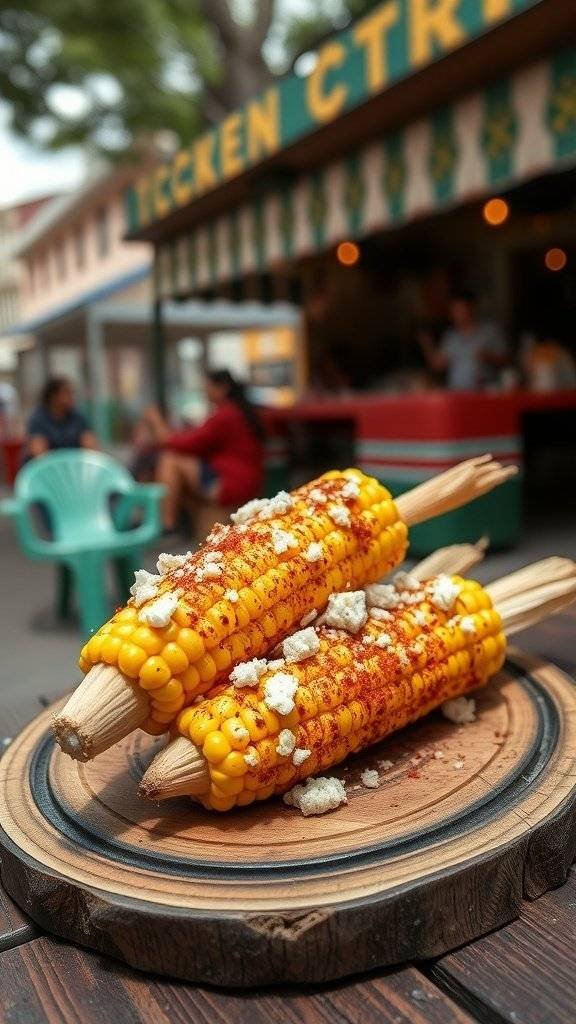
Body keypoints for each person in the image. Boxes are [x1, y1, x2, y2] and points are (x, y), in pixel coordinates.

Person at [143, 369, 265, 533]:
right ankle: (171, 522)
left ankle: (167, 524)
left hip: (232, 484)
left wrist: (157, 423)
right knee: (171, 461)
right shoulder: (236, 411)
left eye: (208, 387)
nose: (205, 391)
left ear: (222, 388)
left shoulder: (226, 415)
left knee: (169, 459)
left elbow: (188, 443)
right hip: (244, 481)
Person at [418, 292, 508, 390]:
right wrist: (426, 344)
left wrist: (488, 356)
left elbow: (506, 360)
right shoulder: (451, 337)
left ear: (472, 308)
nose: (457, 314)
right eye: (454, 310)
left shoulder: (490, 331)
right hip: (457, 393)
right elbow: (438, 365)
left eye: (461, 309)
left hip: (484, 392)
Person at [24, 377, 98, 460]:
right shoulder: (38, 420)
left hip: (73, 467)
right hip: (50, 470)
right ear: (54, 396)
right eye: (67, 393)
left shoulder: (77, 417)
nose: (72, 397)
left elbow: (91, 447)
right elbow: (40, 453)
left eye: (73, 393)